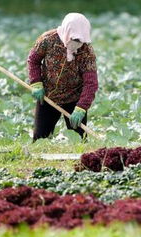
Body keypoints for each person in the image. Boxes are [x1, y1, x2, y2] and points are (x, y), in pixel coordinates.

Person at [27, 13, 98, 141]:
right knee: (40, 139)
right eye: (74, 39)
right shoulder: (48, 40)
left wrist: (82, 107)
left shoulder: (87, 51)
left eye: (80, 40)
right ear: (66, 32)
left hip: (74, 100)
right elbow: (33, 60)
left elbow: (90, 83)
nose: (77, 43)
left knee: (80, 141)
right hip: (48, 97)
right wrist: (36, 82)